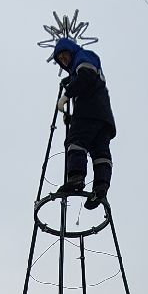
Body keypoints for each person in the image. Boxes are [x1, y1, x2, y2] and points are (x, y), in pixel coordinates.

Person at [49, 36, 116, 210]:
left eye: (65, 56)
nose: (64, 61)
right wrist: (72, 118)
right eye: (61, 60)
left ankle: (76, 178)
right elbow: (87, 85)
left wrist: (67, 94)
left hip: (89, 111)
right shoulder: (79, 66)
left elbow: (86, 77)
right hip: (103, 116)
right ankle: (101, 187)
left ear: (71, 51)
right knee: (99, 150)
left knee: (75, 142)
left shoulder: (83, 56)